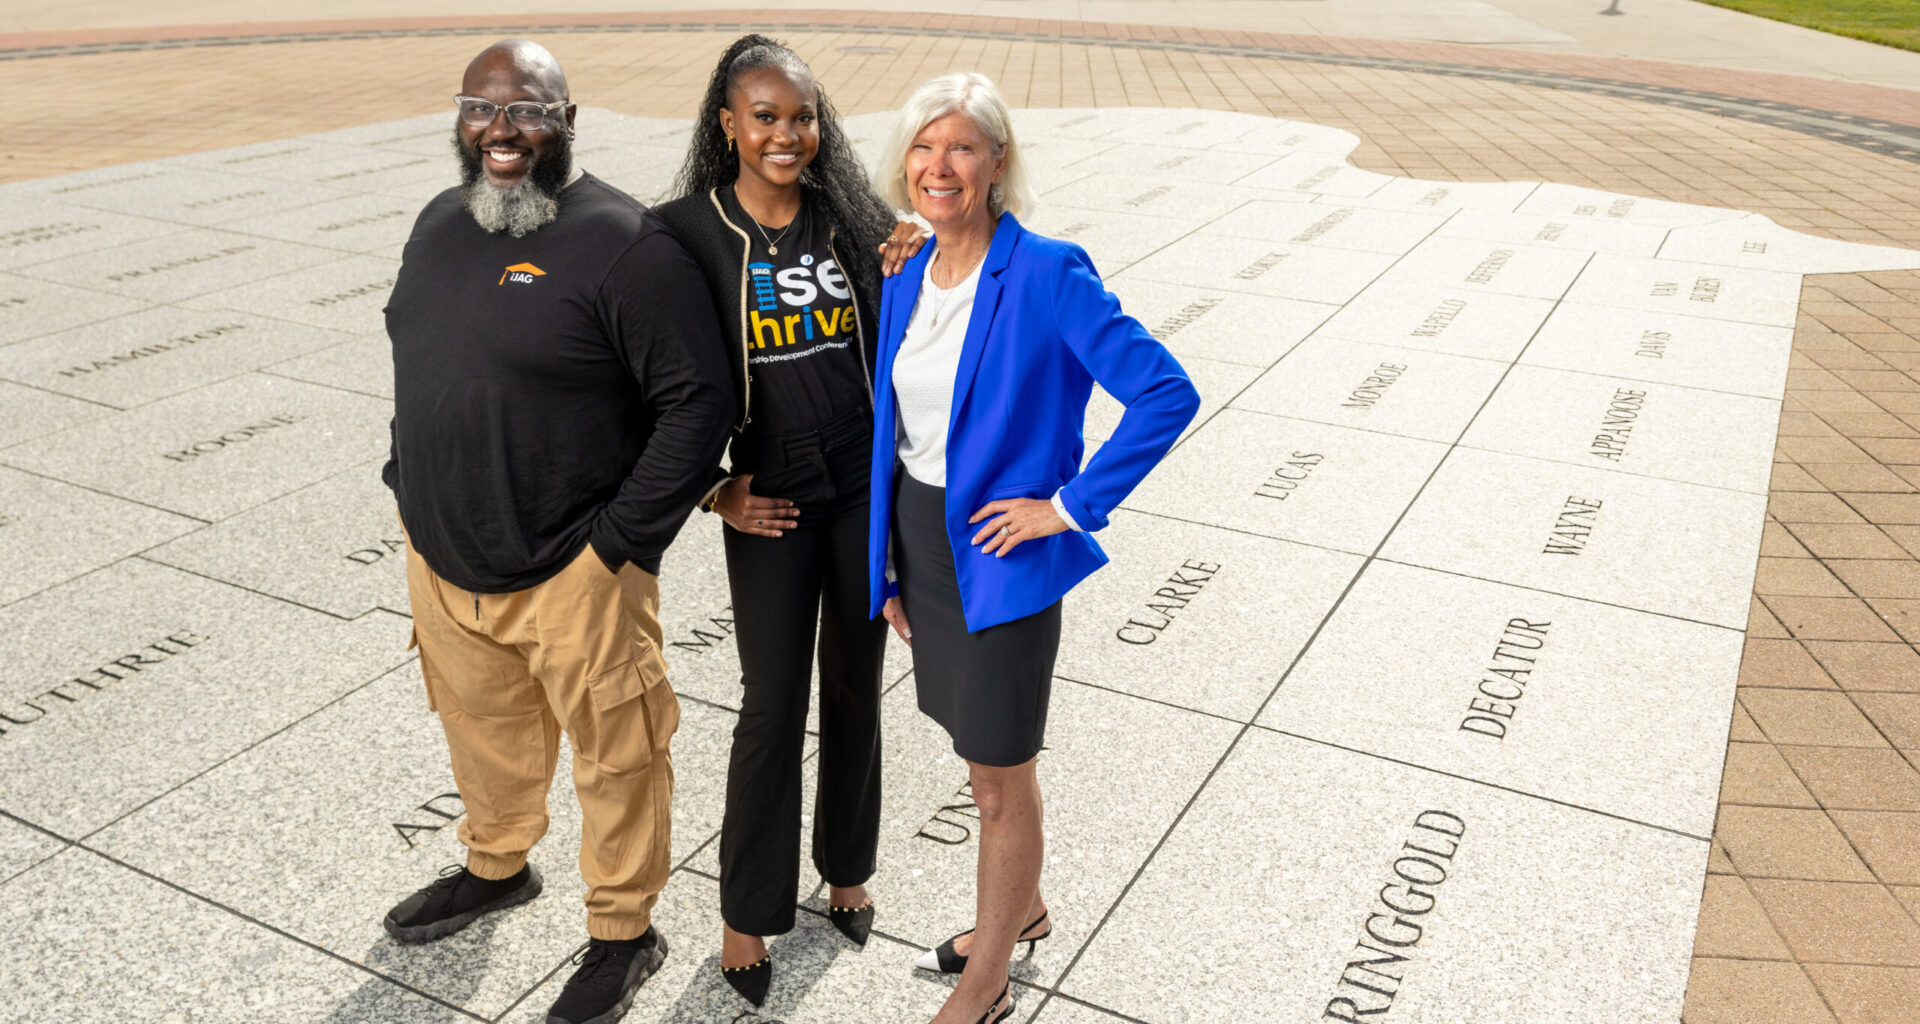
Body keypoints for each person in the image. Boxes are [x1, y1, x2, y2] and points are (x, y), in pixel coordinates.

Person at [380, 38, 734, 1024]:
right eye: (481, 108)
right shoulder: (437, 222)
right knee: (482, 730)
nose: (501, 130)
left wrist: (616, 548)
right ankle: (497, 865)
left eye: (527, 110)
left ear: (567, 121)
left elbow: (698, 403)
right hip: (445, 558)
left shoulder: (626, 245)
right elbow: (418, 355)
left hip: (574, 569)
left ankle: (625, 932)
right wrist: (406, 482)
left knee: (618, 757)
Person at [868, 73, 1200, 1024]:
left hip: (1001, 555)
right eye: (924, 147)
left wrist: (1070, 506)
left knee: (1001, 777)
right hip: (923, 542)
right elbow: (896, 427)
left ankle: (989, 981)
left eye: (962, 147)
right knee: (977, 755)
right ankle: (1027, 910)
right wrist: (886, 562)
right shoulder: (905, 268)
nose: (940, 166)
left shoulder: (1049, 272)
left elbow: (1166, 392)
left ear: (997, 162)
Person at [654, 33, 922, 1009]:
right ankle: (746, 913)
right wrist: (712, 489)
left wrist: (917, 250)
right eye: (764, 116)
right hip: (769, 497)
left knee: (855, 684)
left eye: (802, 117)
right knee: (771, 703)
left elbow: (920, 319)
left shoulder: (850, 219)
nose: (786, 134)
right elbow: (638, 381)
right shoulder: (682, 234)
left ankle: (846, 870)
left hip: (860, 486)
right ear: (727, 122)